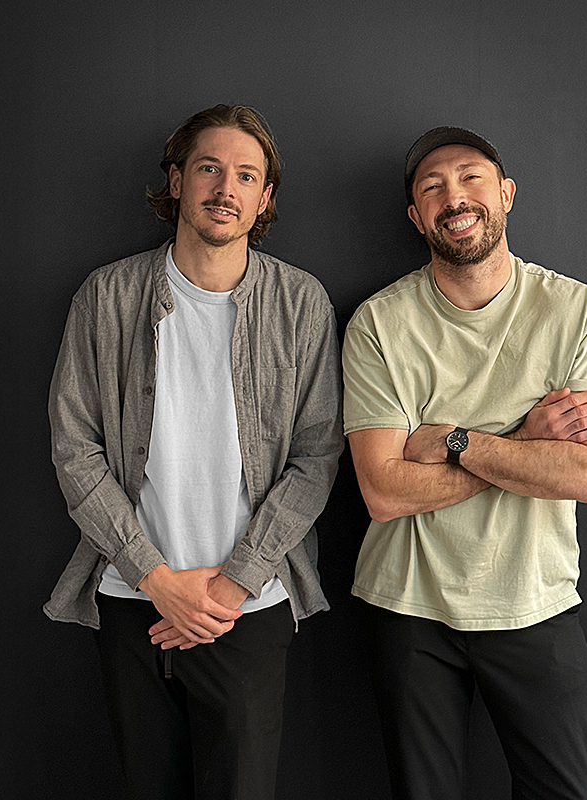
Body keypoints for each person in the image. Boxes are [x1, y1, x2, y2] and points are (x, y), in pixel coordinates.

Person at [44, 104, 343, 800]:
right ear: (176, 179)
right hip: (131, 598)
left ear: (264, 198)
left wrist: (234, 582)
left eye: (246, 175)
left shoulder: (301, 304)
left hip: (250, 604)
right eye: (209, 167)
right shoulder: (107, 297)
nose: (225, 187)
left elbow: (317, 455)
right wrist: (155, 578)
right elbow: (74, 449)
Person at [342, 126, 587, 800]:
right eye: (432, 187)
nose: (454, 196)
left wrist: (458, 439)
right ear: (416, 216)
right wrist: (528, 443)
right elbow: (383, 490)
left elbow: (585, 476)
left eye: (471, 177)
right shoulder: (379, 323)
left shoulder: (580, 311)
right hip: (409, 608)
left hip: (537, 602)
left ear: (505, 194)